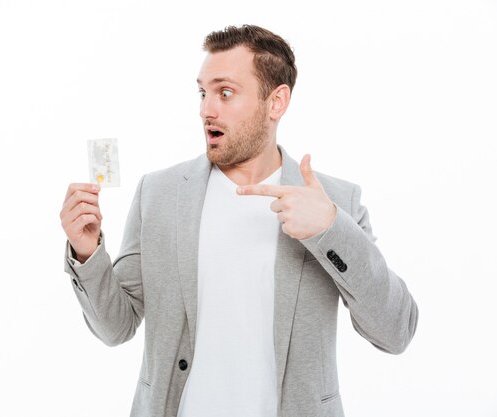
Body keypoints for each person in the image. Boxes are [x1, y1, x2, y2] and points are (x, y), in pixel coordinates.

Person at [60, 24, 418, 417]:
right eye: (203, 92)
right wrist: (87, 251)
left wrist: (330, 229)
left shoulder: (335, 202)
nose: (206, 109)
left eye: (225, 93)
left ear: (276, 103)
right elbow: (116, 327)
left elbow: (395, 332)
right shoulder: (158, 194)